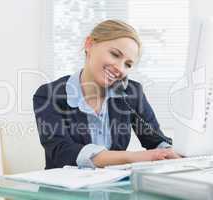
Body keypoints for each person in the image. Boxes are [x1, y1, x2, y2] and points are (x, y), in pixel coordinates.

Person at [33, 19, 181, 169]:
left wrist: (172, 152)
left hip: (113, 188)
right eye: (115, 54)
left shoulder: (131, 94)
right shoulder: (48, 95)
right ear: (89, 44)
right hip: (63, 190)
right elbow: (62, 153)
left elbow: (156, 141)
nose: (120, 68)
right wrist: (132, 157)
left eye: (128, 64)